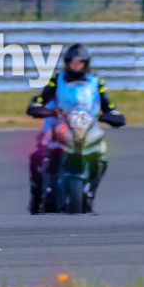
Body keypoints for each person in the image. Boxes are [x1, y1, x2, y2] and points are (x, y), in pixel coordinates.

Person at [25, 43, 126, 213]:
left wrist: (113, 115)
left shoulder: (96, 81)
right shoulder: (57, 79)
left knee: (101, 154)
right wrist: (41, 108)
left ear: (86, 64)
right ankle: (37, 195)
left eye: (79, 63)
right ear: (67, 62)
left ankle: (90, 192)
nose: (75, 66)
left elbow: (108, 104)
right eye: (72, 62)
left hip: (87, 127)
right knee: (37, 153)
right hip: (58, 124)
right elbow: (41, 98)